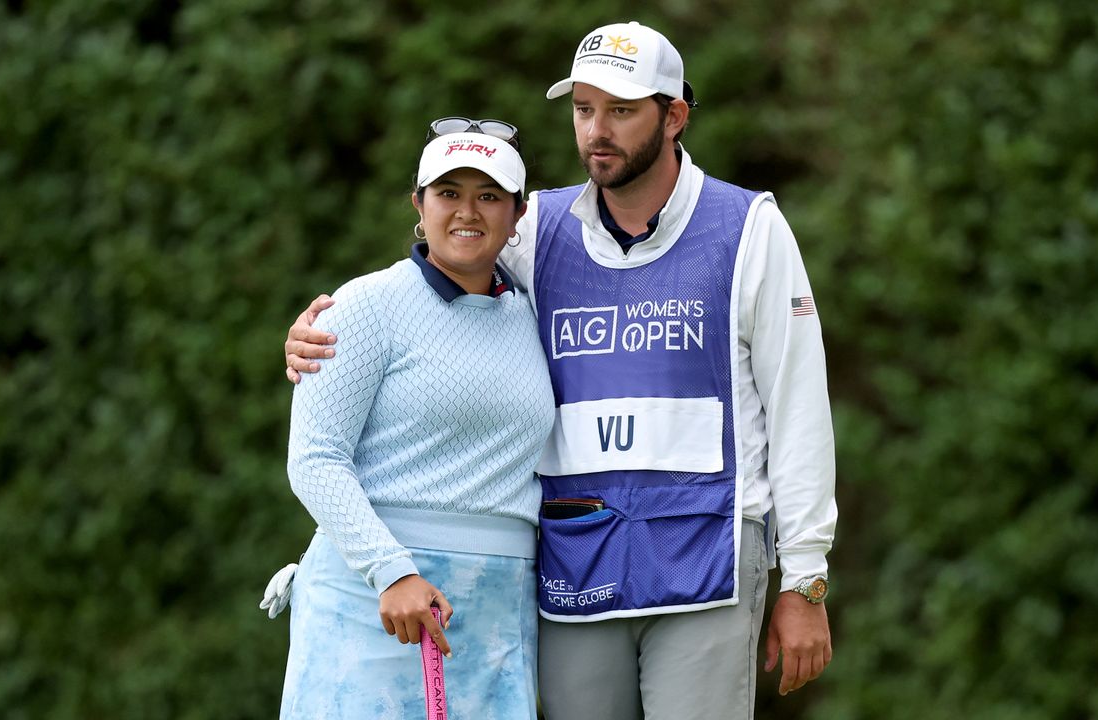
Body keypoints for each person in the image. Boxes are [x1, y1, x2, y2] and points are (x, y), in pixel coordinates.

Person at [280, 21, 837, 720]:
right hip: (577, 558)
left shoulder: (748, 226)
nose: (596, 130)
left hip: (709, 554)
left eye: (621, 111)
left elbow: (798, 407)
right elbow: (442, 263)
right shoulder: (537, 229)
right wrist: (323, 333)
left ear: (674, 116)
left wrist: (807, 579)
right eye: (582, 110)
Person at [272, 119, 554, 719]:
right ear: (418, 205)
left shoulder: (535, 312)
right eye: (448, 193)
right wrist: (391, 571)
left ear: (517, 214)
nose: (467, 212)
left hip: (499, 613)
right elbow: (315, 459)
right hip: (375, 601)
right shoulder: (365, 305)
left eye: (489, 196)